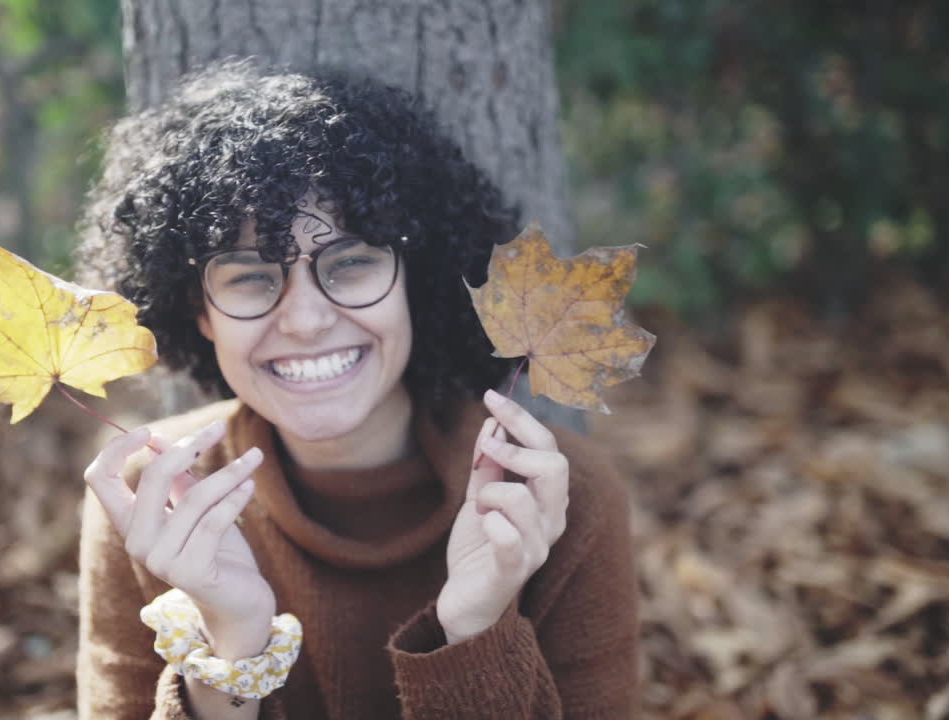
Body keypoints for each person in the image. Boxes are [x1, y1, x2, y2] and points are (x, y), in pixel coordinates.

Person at [74, 58, 639, 719]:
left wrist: (473, 632)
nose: (307, 321)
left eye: (351, 264)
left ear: (414, 284)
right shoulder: (152, 498)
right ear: (196, 311)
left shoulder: (558, 496)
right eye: (252, 277)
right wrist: (230, 650)